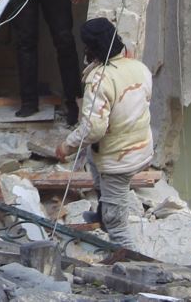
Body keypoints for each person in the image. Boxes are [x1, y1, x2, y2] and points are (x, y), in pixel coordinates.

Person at [55, 17, 153, 252]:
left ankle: (129, 260)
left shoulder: (99, 79)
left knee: (117, 223)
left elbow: (94, 129)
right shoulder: (139, 68)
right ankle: (103, 209)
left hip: (119, 159)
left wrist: (67, 146)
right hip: (141, 147)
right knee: (91, 157)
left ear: (90, 48)